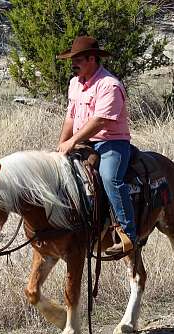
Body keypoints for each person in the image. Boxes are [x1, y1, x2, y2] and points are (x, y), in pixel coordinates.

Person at [56, 35, 136, 255]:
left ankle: (127, 233)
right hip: (84, 142)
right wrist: (62, 143)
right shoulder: (75, 84)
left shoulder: (109, 85)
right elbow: (70, 117)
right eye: (72, 60)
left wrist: (73, 141)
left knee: (111, 178)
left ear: (92, 59)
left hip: (111, 143)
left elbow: (100, 120)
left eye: (78, 59)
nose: (73, 64)